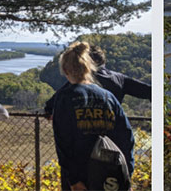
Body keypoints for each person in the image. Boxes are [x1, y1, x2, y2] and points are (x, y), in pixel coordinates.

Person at [49, 42, 134, 190]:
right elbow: (126, 137)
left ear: (64, 70)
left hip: (79, 176)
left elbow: (63, 142)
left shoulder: (65, 97)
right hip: (110, 174)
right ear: (88, 68)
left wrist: (73, 180)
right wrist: (126, 172)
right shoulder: (108, 97)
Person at [44, 44, 149, 119]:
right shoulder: (120, 79)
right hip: (112, 133)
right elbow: (149, 92)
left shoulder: (80, 80)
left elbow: (50, 106)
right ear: (103, 61)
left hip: (84, 136)